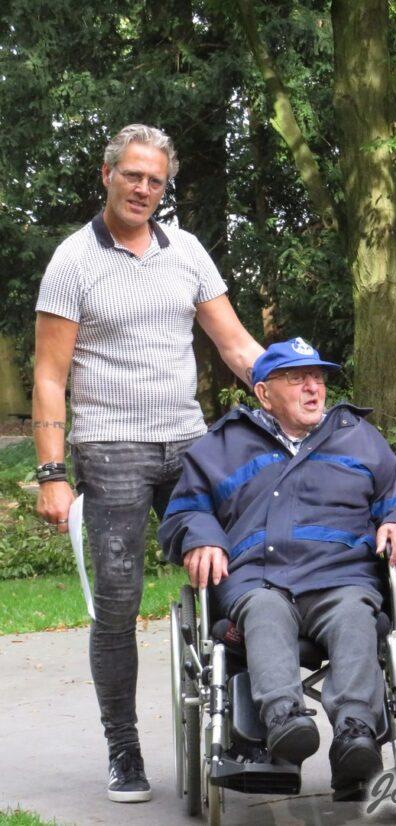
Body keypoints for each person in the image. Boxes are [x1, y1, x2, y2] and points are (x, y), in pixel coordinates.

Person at [31, 123, 263, 803]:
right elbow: (49, 375)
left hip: (189, 444)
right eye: (131, 175)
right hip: (110, 450)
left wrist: (294, 393)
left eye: (154, 180)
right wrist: (52, 474)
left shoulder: (186, 251)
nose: (142, 188)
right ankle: (124, 749)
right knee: (117, 604)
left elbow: (235, 345)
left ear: (165, 188)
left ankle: (242, 728)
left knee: (239, 576)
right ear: (107, 175)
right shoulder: (73, 260)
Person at [159, 338, 396, 799]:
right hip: (259, 579)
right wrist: (201, 535)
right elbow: (185, 511)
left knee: (353, 614)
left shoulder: (358, 436)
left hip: (342, 576)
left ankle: (356, 733)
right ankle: (284, 720)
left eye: (318, 378)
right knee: (265, 611)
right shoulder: (222, 445)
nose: (313, 388)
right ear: (264, 394)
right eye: (297, 379)